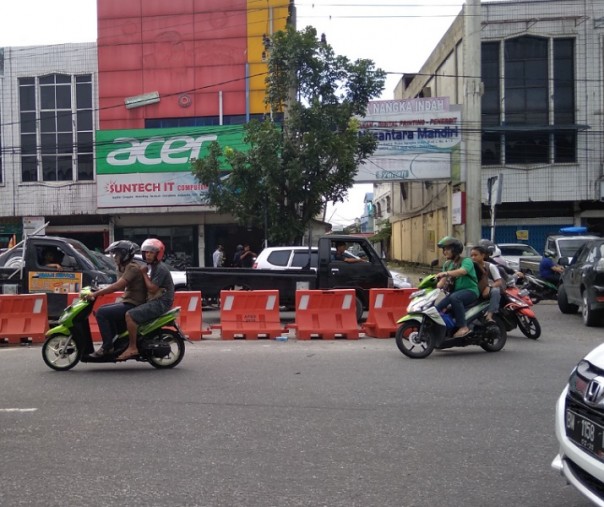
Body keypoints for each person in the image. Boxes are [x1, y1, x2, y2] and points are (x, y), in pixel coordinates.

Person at [85, 240, 146, 358]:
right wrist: (98, 289)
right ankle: (114, 341)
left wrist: (96, 294)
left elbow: (118, 286)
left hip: (134, 303)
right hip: (128, 301)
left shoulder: (132, 268)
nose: (115, 257)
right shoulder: (125, 267)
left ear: (124, 254)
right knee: (102, 310)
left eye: (117, 254)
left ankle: (107, 347)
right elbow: (119, 283)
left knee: (102, 313)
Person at [117, 238, 175, 361]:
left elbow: (153, 289)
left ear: (158, 254)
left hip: (160, 303)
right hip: (154, 300)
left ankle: (132, 347)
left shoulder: (160, 268)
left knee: (130, 315)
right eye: (146, 252)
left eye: (151, 253)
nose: (148, 255)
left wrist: (143, 273)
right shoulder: (153, 267)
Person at [434, 236, 480, 338]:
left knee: (455, 298)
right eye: (444, 249)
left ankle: (463, 327)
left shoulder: (466, 261)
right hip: (454, 293)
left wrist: (445, 273)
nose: (445, 252)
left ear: (455, 249)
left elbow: (462, 271)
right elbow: (441, 283)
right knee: (436, 308)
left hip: (470, 291)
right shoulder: (447, 264)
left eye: (447, 249)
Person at [471, 245, 503, 323]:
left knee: (495, 291)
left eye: (475, 255)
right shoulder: (470, 267)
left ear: (483, 255)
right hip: (474, 291)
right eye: (471, 255)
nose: (473, 257)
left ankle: (489, 315)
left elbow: (499, 281)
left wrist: (488, 287)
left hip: (487, 291)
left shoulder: (490, 266)